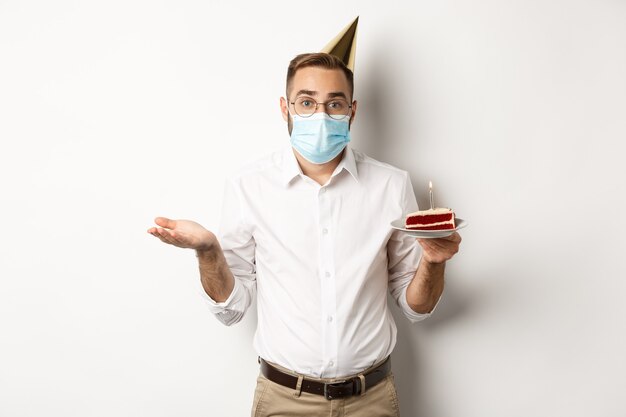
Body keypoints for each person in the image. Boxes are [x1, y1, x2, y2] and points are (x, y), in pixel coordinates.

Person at [148, 21, 461, 417]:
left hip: (372, 400)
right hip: (283, 401)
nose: (321, 114)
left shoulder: (391, 185)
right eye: (307, 102)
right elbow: (232, 308)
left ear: (352, 110)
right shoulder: (249, 187)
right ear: (286, 108)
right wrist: (208, 252)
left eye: (334, 103)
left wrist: (432, 263)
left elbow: (416, 306)